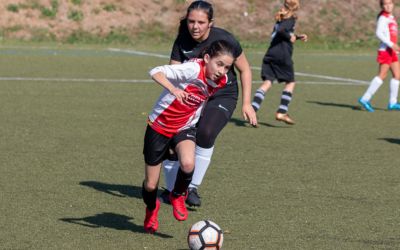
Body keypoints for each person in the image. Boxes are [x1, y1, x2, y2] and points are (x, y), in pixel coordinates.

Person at [160, 0, 258, 208]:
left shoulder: (225, 39)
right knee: (172, 140)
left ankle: (192, 187)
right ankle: (172, 191)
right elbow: (174, 75)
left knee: (205, 132)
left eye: (201, 22)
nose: (195, 26)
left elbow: (245, 69)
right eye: (191, 21)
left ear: (210, 23)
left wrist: (247, 103)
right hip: (193, 97)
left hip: (222, 94)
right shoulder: (182, 42)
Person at [142, 40, 235, 233]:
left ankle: (177, 195)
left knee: (188, 164)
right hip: (159, 126)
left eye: (227, 67)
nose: (222, 71)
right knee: (151, 185)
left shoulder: (222, 80)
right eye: (219, 64)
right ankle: (152, 209)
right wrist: (174, 89)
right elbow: (155, 71)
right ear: (207, 58)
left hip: (184, 127)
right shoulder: (192, 69)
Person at [251, 0, 307, 125]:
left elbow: (282, 33)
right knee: (290, 83)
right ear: (295, 8)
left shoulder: (280, 18)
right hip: (282, 56)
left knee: (267, 82)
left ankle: (252, 110)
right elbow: (283, 32)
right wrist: (290, 37)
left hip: (271, 54)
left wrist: (297, 37)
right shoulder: (291, 18)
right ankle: (282, 111)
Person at [358, 0, 400, 112]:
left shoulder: (391, 17)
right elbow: (379, 33)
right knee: (382, 75)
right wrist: (391, 44)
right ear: (381, 6)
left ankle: (393, 103)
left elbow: (391, 34)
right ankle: (365, 98)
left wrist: (395, 48)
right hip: (386, 50)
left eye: (390, 3)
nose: (388, 6)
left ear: (393, 4)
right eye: (385, 4)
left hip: (391, 51)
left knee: (397, 75)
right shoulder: (383, 17)